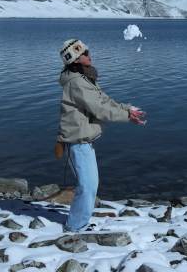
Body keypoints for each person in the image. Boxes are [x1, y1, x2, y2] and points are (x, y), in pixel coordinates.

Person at [57, 38, 145, 232]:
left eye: (87, 51)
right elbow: (99, 108)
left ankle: (78, 223)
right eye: (85, 53)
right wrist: (127, 116)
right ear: (76, 59)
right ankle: (74, 227)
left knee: (89, 185)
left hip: (84, 141)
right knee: (87, 187)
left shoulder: (83, 78)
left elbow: (103, 100)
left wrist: (126, 109)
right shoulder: (77, 83)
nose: (90, 55)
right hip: (77, 141)